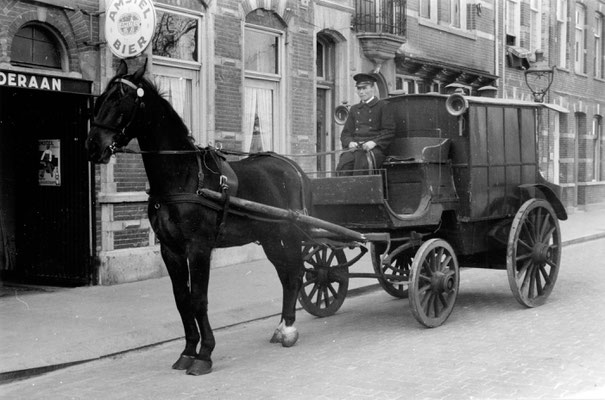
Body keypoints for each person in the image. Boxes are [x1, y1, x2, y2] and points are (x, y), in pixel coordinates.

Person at [336, 73, 395, 174]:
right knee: (343, 165)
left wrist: (374, 142)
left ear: (373, 88)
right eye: (359, 89)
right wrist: (350, 142)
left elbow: (389, 131)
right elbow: (346, 133)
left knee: (363, 166)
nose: (361, 92)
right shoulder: (354, 109)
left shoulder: (383, 106)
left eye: (364, 88)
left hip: (375, 149)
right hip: (355, 149)